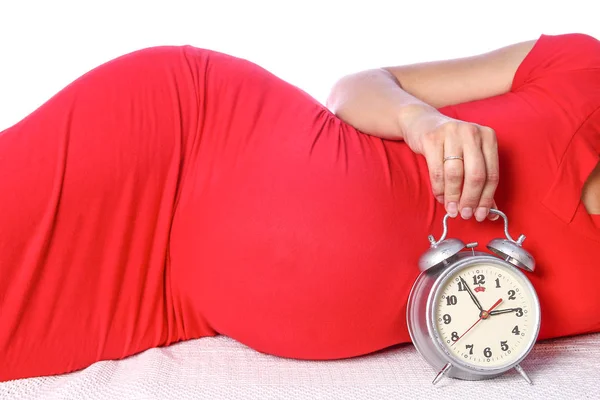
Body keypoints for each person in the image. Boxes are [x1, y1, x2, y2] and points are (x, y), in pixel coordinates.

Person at [0, 32, 598, 383]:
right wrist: (423, 120)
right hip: (187, 142)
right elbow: (358, 87)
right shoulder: (581, 66)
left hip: (167, 303)